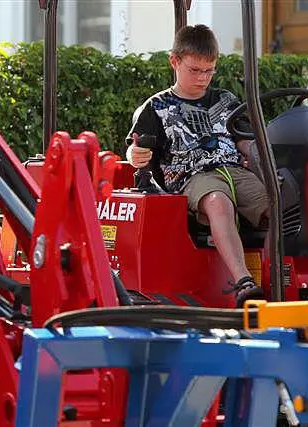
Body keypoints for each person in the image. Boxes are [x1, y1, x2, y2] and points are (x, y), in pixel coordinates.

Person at [126, 24, 269, 307]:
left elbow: (245, 140)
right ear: (175, 61)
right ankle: (245, 282)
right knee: (218, 202)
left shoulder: (225, 100)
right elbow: (135, 148)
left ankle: (277, 280)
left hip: (235, 171)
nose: (203, 78)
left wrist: (259, 155)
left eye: (209, 70)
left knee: (279, 204)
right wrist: (134, 154)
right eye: (195, 70)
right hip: (191, 177)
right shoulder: (156, 107)